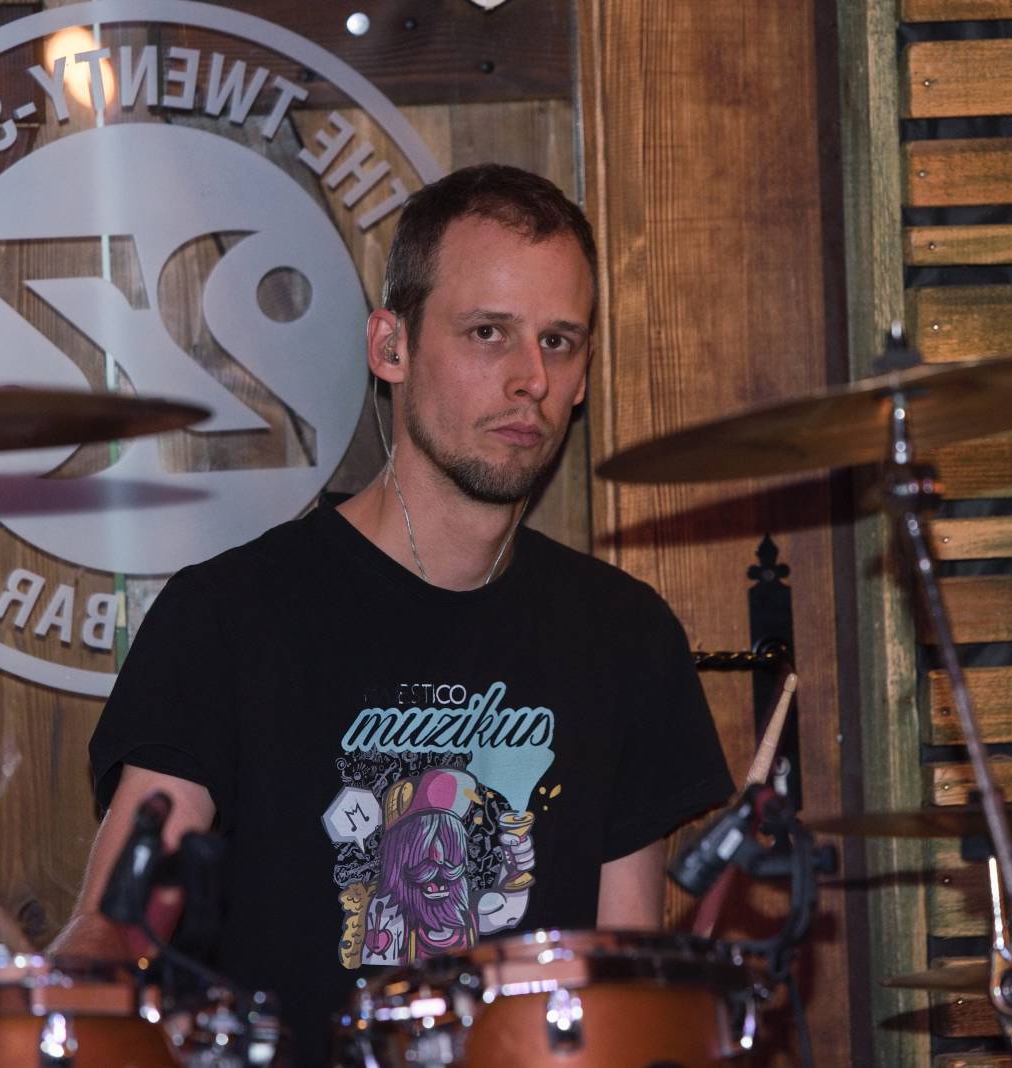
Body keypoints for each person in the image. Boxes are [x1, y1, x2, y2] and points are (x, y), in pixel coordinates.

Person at [49, 163, 734, 1064]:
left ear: (583, 376)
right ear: (391, 347)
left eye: (559, 341)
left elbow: (621, 981)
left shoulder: (626, 636)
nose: (530, 377)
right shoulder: (226, 618)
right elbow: (113, 938)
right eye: (488, 332)